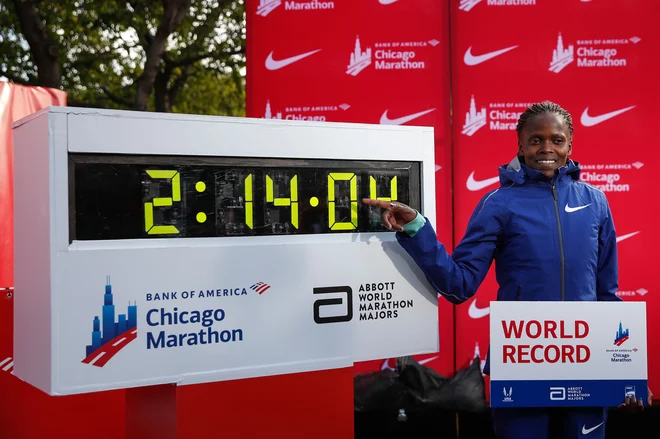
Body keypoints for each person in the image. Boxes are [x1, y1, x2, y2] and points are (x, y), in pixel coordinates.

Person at [362, 101, 651, 439]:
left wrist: (627, 376)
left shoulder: (596, 202)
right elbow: (460, 284)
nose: (546, 148)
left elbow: (606, 295)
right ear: (521, 145)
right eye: (536, 140)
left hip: (584, 363)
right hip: (523, 363)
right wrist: (417, 229)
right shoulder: (498, 203)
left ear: (569, 145)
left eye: (557, 140)